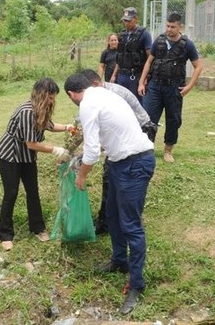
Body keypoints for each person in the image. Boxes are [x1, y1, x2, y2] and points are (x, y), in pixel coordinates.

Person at [64, 73, 155, 315]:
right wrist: (81, 156)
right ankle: (119, 261)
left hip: (134, 164)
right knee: (113, 216)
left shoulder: (87, 104)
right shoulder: (104, 94)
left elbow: (93, 152)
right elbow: (109, 134)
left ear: (72, 94)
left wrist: (81, 176)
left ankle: (137, 284)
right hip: (119, 162)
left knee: (131, 225)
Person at [0, 77, 72, 251]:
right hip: (10, 156)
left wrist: (67, 127)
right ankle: (5, 234)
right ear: (42, 95)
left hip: (27, 157)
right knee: (11, 192)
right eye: (51, 97)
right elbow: (31, 144)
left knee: (33, 191)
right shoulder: (27, 112)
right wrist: (55, 150)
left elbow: (49, 125)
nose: (53, 101)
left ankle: (37, 227)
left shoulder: (40, 109)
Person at [80, 69, 157, 235]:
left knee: (116, 178)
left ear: (93, 85)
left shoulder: (111, 94)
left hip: (140, 133)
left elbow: (116, 131)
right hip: (124, 137)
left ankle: (124, 219)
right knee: (111, 176)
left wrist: (84, 166)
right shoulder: (99, 96)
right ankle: (110, 219)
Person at [138, 12, 203, 163]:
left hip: (174, 88)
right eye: (167, 26)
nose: (169, 29)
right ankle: (146, 149)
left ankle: (168, 150)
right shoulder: (159, 41)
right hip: (155, 86)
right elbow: (149, 62)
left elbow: (198, 66)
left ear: (180, 27)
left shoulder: (187, 44)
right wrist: (142, 82)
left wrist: (189, 87)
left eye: (173, 26)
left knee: (173, 119)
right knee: (148, 119)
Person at [111, 7, 153, 103]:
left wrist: (145, 78)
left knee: (136, 104)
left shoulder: (144, 34)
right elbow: (120, 57)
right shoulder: (122, 35)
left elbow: (150, 58)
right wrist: (114, 75)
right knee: (122, 103)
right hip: (122, 75)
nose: (126, 23)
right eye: (124, 20)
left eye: (129, 20)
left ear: (136, 19)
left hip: (136, 76)